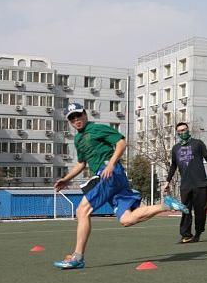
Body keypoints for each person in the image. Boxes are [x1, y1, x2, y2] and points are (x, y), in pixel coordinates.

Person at [52, 103, 190, 270]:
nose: (76, 120)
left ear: (85, 114)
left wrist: (111, 164)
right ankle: (166, 205)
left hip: (109, 173)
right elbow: (82, 163)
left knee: (82, 211)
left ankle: (78, 257)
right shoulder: (78, 139)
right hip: (112, 177)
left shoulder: (96, 129)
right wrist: (66, 179)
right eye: (72, 118)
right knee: (126, 219)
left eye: (78, 115)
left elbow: (121, 142)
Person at [164, 122, 207, 244]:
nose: (182, 132)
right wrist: (167, 181)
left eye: (184, 130)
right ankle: (186, 235)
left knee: (200, 210)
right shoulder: (175, 148)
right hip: (185, 185)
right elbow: (173, 166)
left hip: (200, 183)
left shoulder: (198, 144)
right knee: (185, 210)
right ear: (177, 133)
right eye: (179, 131)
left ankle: (198, 233)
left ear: (188, 130)